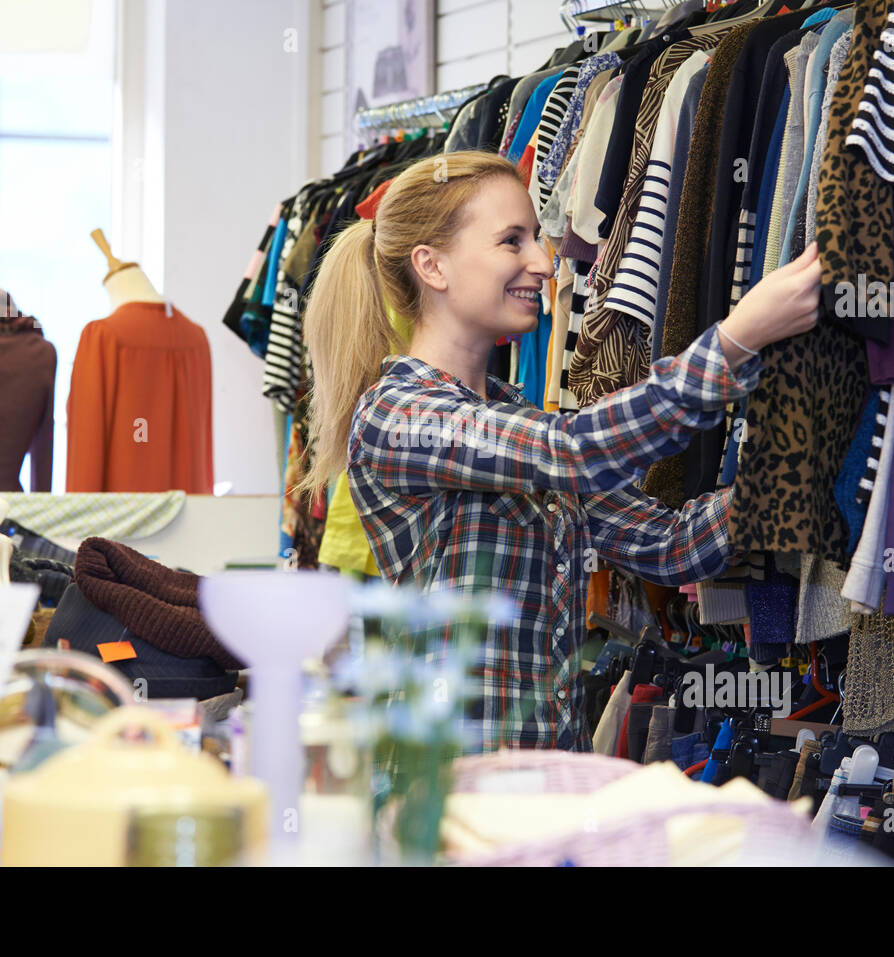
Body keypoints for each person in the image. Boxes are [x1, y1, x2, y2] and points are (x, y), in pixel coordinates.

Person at [300, 150, 819, 751]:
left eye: (537, 240)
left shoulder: (515, 422)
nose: (545, 263)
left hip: (544, 789)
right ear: (432, 266)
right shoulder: (397, 417)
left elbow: (670, 547)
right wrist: (734, 340)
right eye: (511, 241)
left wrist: (800, 463)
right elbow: (574, 451)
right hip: (449, 798)